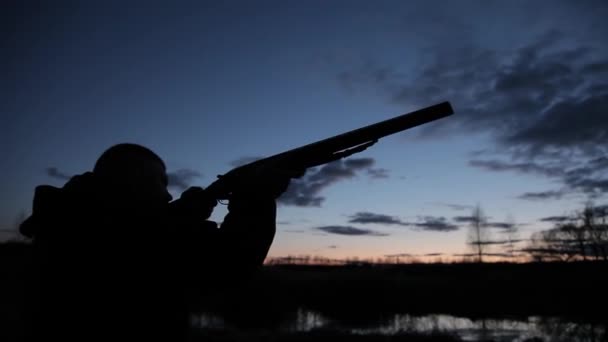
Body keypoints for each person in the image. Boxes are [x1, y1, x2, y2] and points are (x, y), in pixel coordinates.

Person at [19, 143, 293, 341]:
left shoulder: (65, 220)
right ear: (123, 183)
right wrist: (256, 198)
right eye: (156, 182)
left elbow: (140, 234)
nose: (167, 196)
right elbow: (231, 262)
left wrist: (187, 212)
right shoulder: (93, 234)